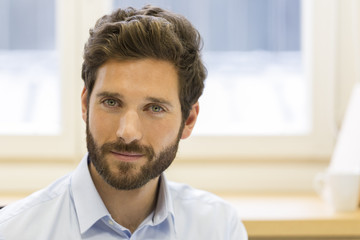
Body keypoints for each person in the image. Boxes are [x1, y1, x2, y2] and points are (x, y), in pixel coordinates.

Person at [0, 5, 247, 240]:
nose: (127, 133)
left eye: (155, 108)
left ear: (189, 120)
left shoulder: (219, 227)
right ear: (85, 105)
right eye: (111, 102)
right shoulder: (14, 231)